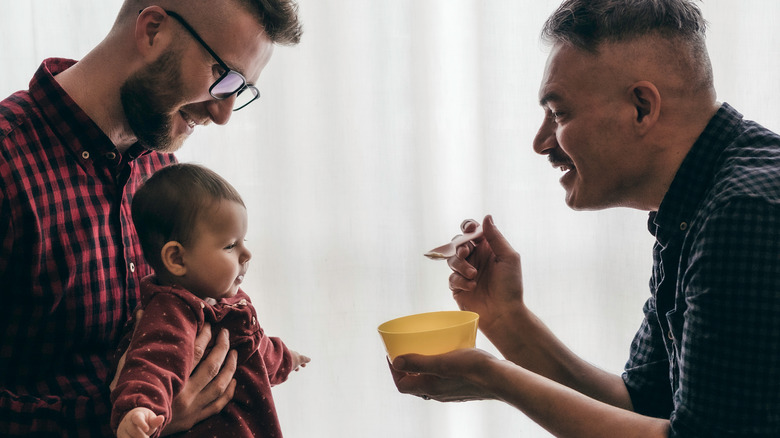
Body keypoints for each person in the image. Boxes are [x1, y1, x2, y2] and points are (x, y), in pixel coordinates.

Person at [389, 0, 780, 437]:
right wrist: (504, 318)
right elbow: (646, 404)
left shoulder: (747, 211)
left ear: (641, 107)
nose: (540, 142)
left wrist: (493, 378)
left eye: (557, 114)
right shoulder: (695, 205)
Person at [0, 1, 302, 436]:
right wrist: (126, 419)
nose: (222, 114)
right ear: (153, 30)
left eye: (242, 90)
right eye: (224, 77)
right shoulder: (8, 164)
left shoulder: (162, 171)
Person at [111, 163, 310, 438]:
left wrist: (286, 357)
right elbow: (151, 366)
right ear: (177, 259)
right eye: (230, 245)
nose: (246, 254)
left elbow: (257, 350)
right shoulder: (173, 312)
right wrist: (140, 410)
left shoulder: (229, 305)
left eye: (243, 241)